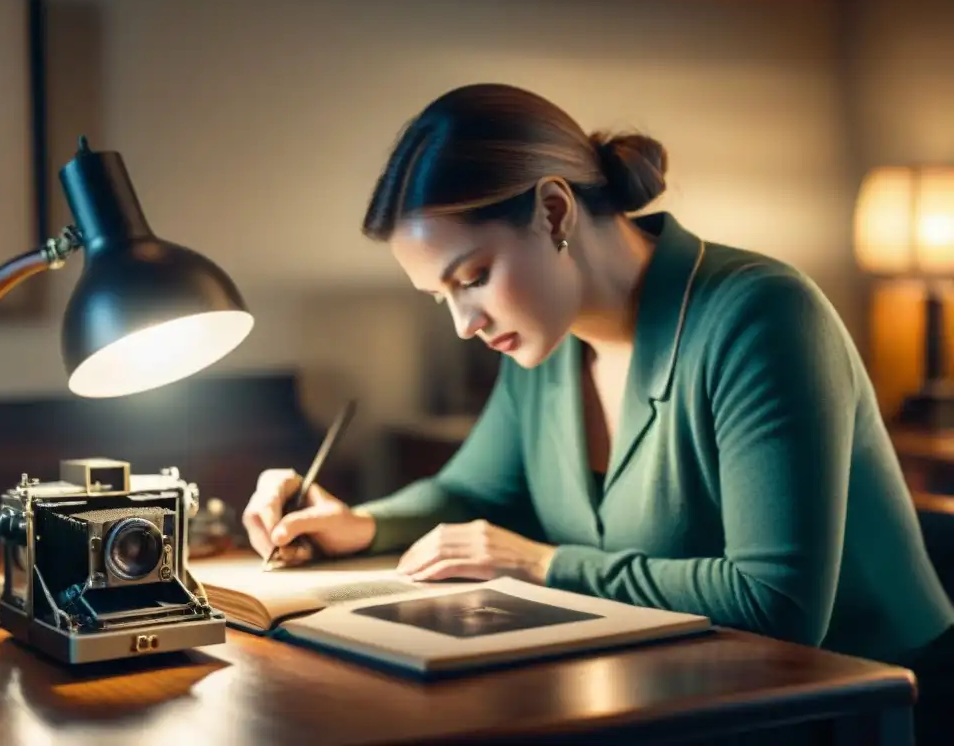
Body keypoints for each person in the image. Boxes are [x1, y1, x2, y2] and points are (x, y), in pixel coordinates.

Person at [243, 83, 954, 740]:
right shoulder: (544, 346)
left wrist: (544, 565)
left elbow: (777, 604)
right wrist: (358, 523)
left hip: (861, 705)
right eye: (443, 296)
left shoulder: (760, 315)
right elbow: (473, 493)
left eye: (474, 278)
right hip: (686, 692)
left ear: (554, 212)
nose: (465, 322)